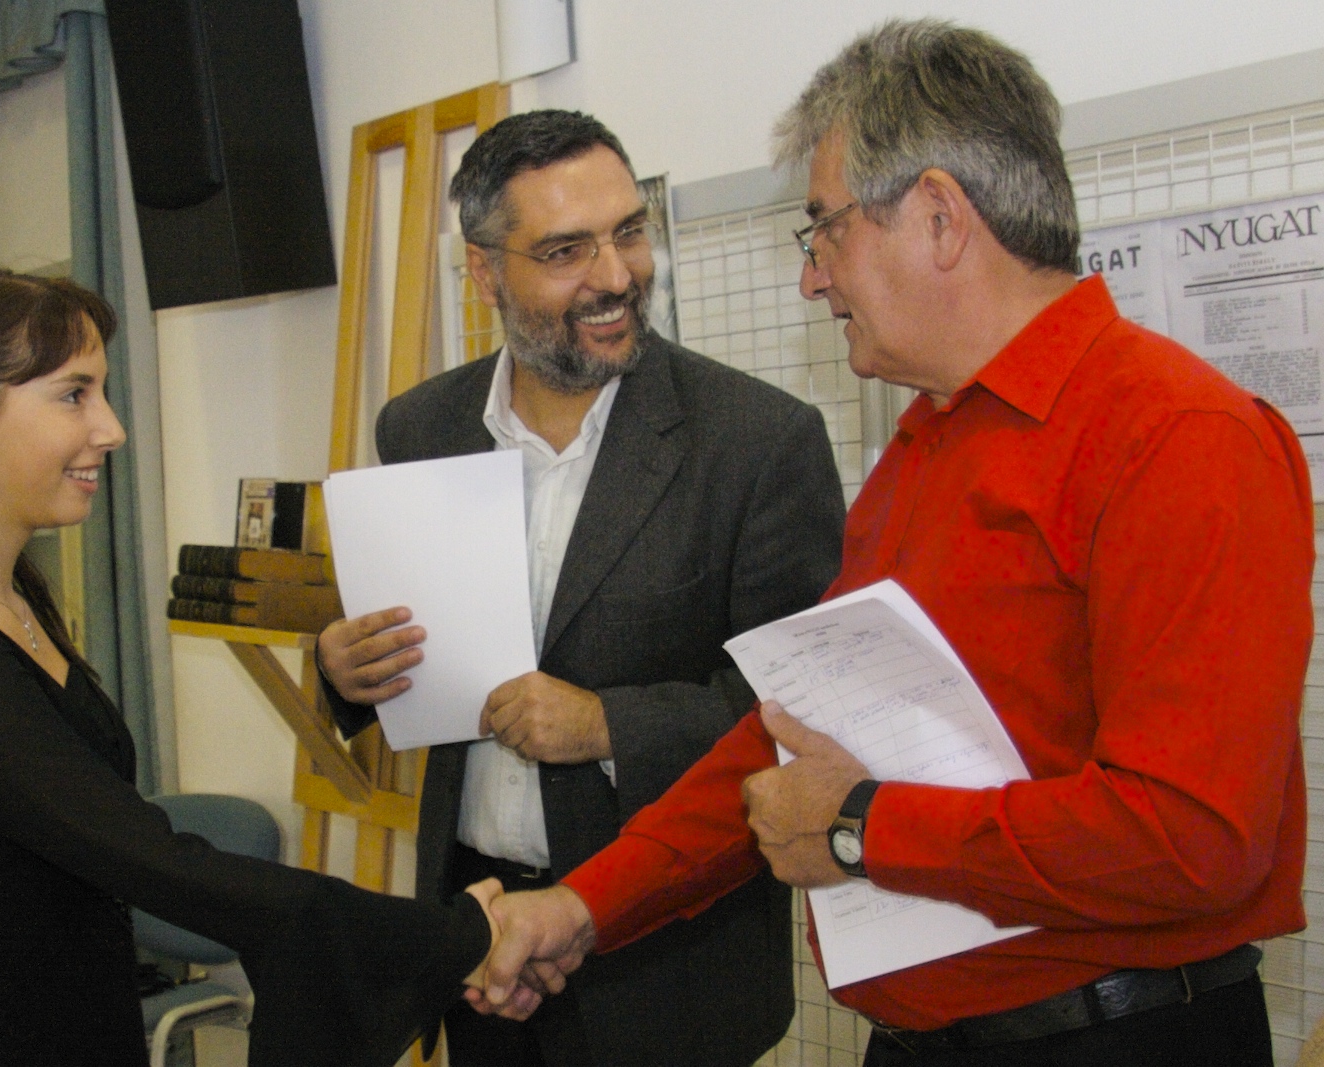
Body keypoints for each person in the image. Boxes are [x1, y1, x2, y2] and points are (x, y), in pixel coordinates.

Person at [476, 20, 1313, 1067]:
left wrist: (862, 825)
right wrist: (583, 905)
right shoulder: (925, 445)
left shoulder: (1177, 437)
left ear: (938, 216)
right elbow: (788, 743)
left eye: (823, 231)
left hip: (1118, 1036)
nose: (812, 280)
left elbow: (1193, 838)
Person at [0, 263, 514, 1067]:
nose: (110, 428)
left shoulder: (13, 603)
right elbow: (149, 857)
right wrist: (451, 937)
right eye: (74, 394)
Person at [318, 110, 847, 1066]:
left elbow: (801, 715)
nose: (616, 275)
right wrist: (342, 666)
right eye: (567, 251)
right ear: (484, 273)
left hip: (665, 966)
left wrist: (608, 725)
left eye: (629, 232)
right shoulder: (420, 428)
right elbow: (404, 637)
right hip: (479, 935)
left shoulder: (757, 441)